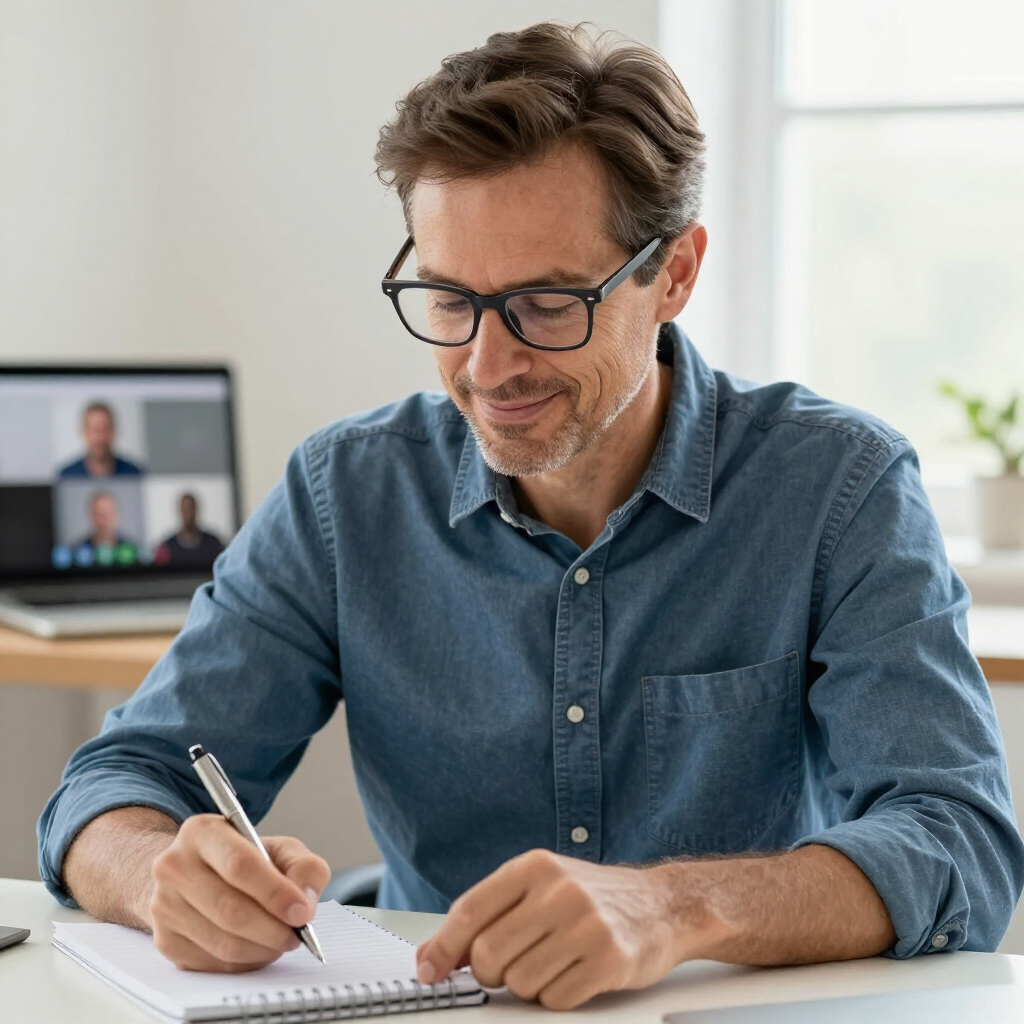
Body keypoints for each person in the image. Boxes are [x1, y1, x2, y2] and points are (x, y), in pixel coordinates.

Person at [40, 23, 1023, 1012]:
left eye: (547, 304)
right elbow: (117, 783)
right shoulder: (347, 494)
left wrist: (672, 908)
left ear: (673, 273)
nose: (487, 362)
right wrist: (156, 873)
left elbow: (956, 841)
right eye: (448, 298)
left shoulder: (837, 488)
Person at [59, 402, 143, 478]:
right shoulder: (67, 476)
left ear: (114, 431)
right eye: (95, 430)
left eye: (105, 429)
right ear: (84, 432)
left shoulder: (134, 474)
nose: (100, 436)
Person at [155, 493, 225, 567]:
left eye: (191, 508)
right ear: (180, 511)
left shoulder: (213, 543)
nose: (189, 514)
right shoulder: (167, 547)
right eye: (185, 509)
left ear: (196, 510)